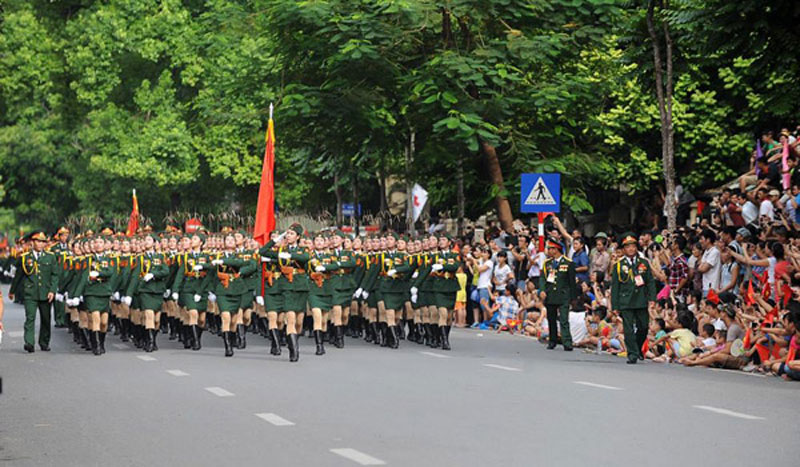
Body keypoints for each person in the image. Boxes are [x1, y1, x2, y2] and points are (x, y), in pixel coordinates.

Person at [610, 235, 656, 364]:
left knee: (643, 326)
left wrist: (652, 298)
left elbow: (650, 282)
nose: (631, 249)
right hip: (626, 301)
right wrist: (615, 306)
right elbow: (615, 287)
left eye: (633, 246)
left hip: (641, 299)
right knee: (628, 328)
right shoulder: (618, 265)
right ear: (624, 249)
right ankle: (632, 354)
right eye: (628, 247)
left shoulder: (643, 263)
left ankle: (637, 347)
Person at [9, 231, 58, 353]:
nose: (40, 244)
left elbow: (55, 275)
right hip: (30, 292)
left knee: (46, 319)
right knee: (30, 318)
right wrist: (12, 291)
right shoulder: (25, 257)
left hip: (46, 293)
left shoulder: (50, 257)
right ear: (32, 242)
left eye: (43, 242)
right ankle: (29, 342)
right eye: (38, 241)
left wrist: (52, 290)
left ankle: (44, 342)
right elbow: (18, 276)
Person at [539, 239, 577, 351]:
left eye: (551, 249)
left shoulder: (568, 263)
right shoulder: (547, 263)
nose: (549, 251)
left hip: (564, 295)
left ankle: (567, 341)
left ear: (556, 250)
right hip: (551, 295)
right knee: (551, 319)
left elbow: (572, 282)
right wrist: (542, 290)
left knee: (564, 319)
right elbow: (543, 278)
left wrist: (573, 298)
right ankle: (553, 340)